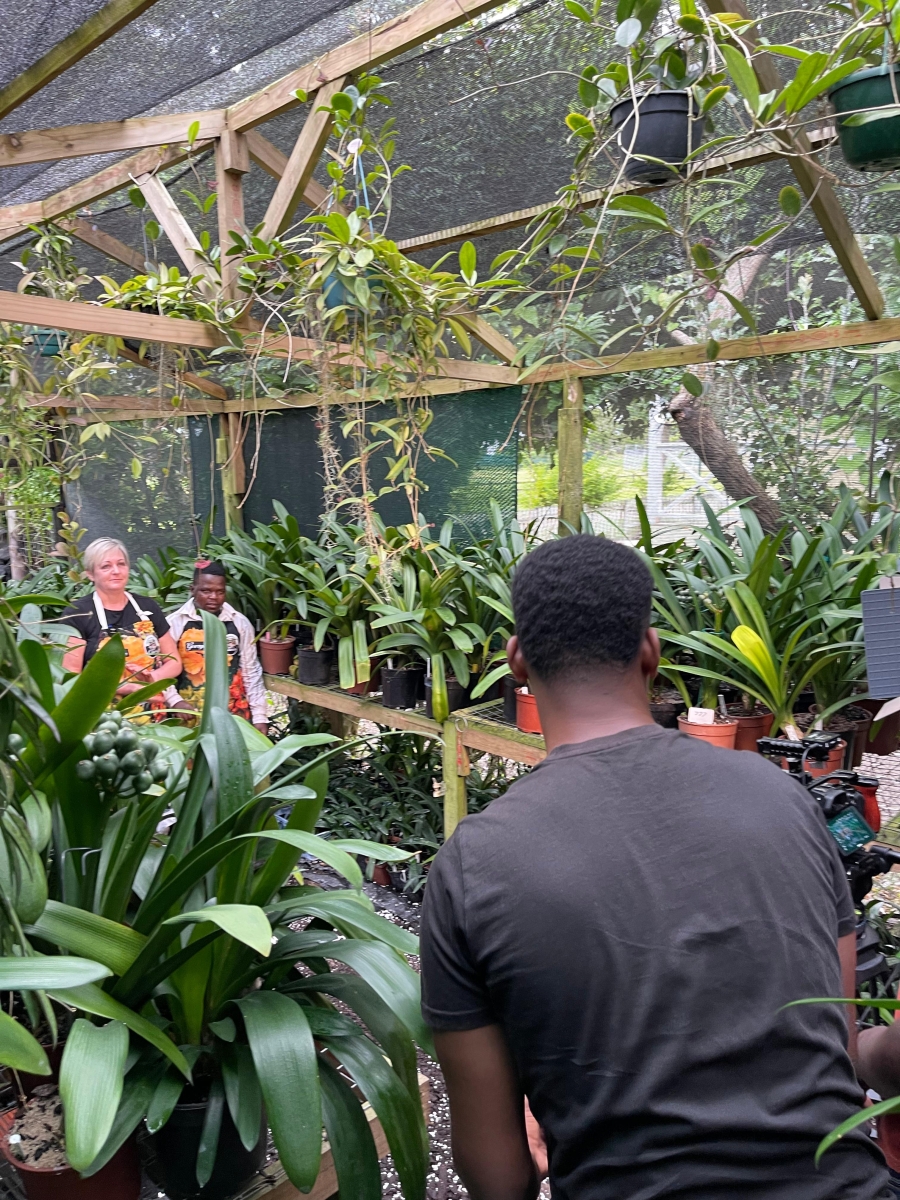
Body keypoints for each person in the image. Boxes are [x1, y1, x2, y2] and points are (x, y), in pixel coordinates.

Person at [420, 534, 890, 1200]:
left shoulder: (473, 863)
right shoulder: (783, 796)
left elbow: (499, 1179)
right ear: (651, 651)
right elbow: (835, 1042)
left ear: (516, 661)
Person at [62, 537, 181, 709]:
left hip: (153, 714)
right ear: (90, 574)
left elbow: (174, 662)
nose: (116, 571)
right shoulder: (77, 613)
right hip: (103, 716)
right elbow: (72, 676)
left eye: (121, 564)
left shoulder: (148, 607)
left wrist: (151, 679)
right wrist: (127, 687)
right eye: (106, 566)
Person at [163, 560, 268, 734]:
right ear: (192, 589)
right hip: (188, 717)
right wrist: (175, 701)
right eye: (206, 591)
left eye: (220, 591)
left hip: (233, 717)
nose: (214, 597)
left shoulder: (239, 623)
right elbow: (161, 668)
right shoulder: (174, 624)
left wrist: (260, 717)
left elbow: (251, 671)